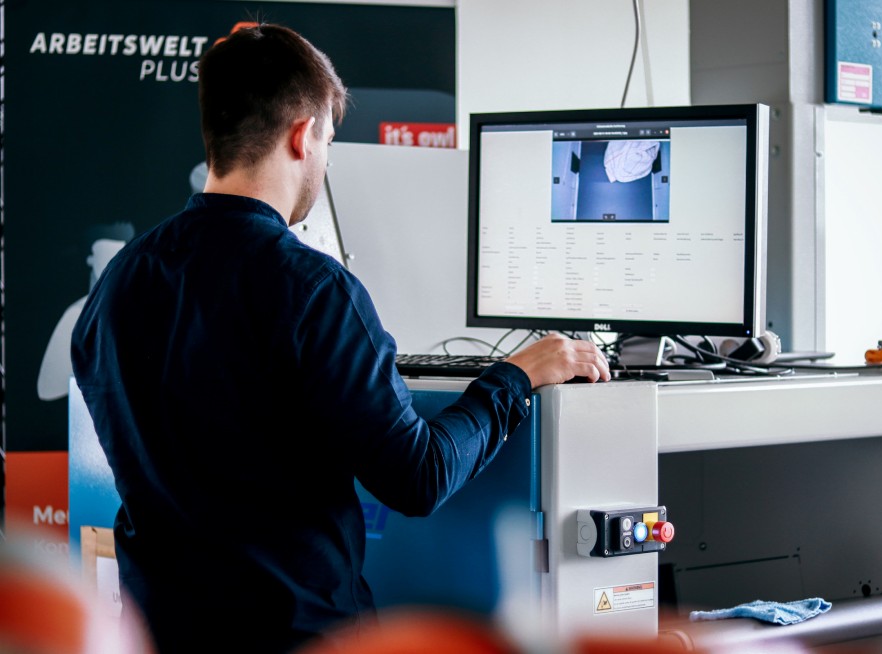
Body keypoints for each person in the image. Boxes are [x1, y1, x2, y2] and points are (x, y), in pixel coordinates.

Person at [70, 23, 609, 654]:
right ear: (303, 135)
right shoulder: (312, 289)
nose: (325, 159)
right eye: (328, 139)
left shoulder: (117, 284)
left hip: (158, 635)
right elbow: (420, 476)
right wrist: (517, 376)